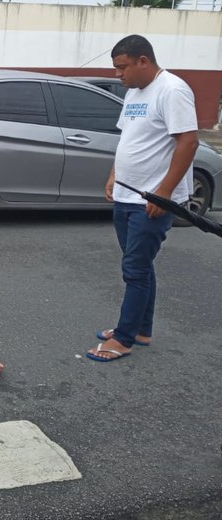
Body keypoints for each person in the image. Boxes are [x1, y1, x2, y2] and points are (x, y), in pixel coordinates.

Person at [87, 35, 199, 362]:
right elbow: (130, 138)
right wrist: (113, 174)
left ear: (143, 61)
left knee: (134, 269)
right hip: (127, 193)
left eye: (122, 68)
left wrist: (164, 193)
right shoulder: (135, 93)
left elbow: (188, 142)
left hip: (151, 199)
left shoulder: (172, 90)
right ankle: (141, 330)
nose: (118, 75)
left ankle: (123, 339)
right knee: (139, 266)